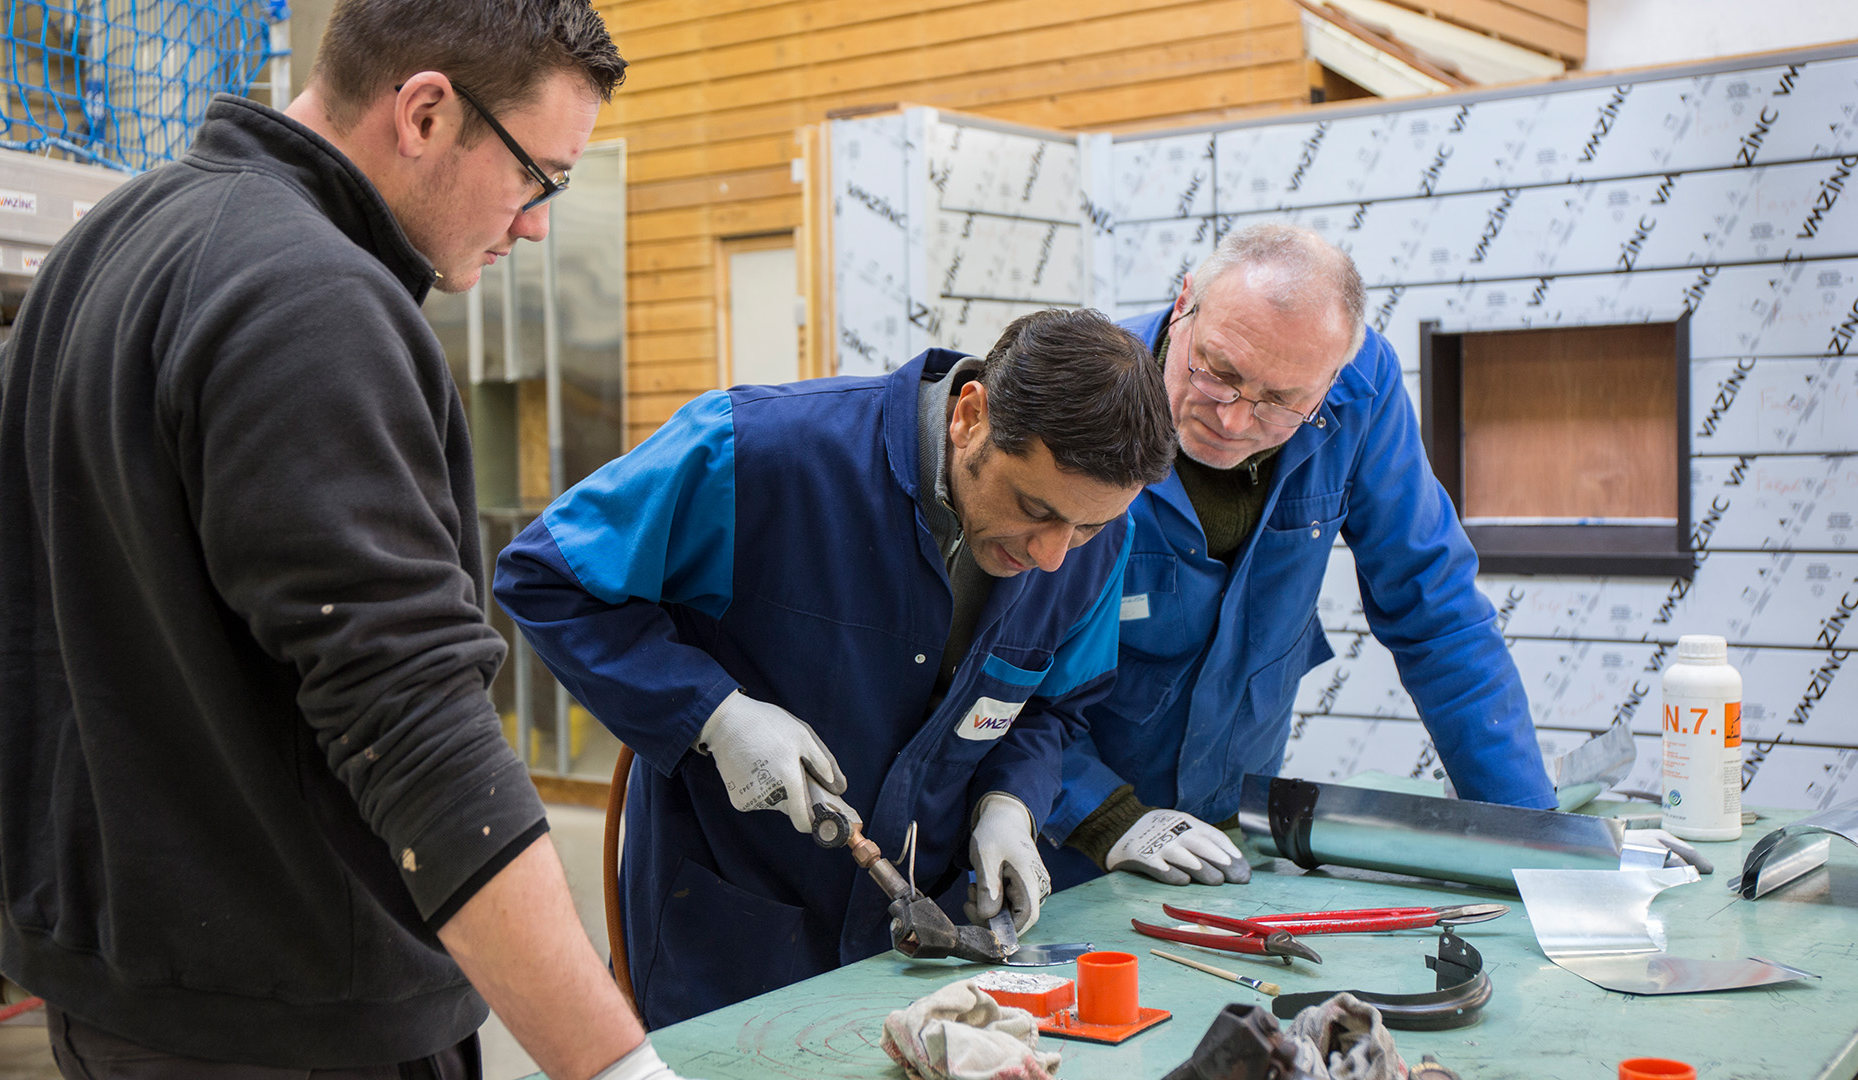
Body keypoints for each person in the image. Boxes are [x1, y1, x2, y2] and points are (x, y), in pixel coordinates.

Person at [0, 2, 690, 1077]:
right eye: (538, 176)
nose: (535, 224)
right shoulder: (312, 298)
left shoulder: (112, 238)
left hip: (115, 986)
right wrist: (614, 1065)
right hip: (301, 1011)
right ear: (426, 112)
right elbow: (416, 728)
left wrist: (131, 718)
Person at [495, 308, 1176, 1026]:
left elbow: (1053, 706)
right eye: (1033, 507)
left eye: (1088, 526)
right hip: (732, 941)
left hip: (919, 955)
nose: (1053, 555)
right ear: (970, 416)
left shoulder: (1096, 542)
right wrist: (714, 714)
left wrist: (1013, 801)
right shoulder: (759, 452)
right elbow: (548, 577)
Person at [1044, 224, 1556, 892]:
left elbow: (1437, 613)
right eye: (1218, 372)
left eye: (1283, 402)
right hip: (1065, 835)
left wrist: (1531, 840)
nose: (1232, 420)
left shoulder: (1361, 390)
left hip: (1228, 837)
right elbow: (1000, 667)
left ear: (1333, 376)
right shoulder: (1088, 395)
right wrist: (1103, 816)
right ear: (1185, 304)